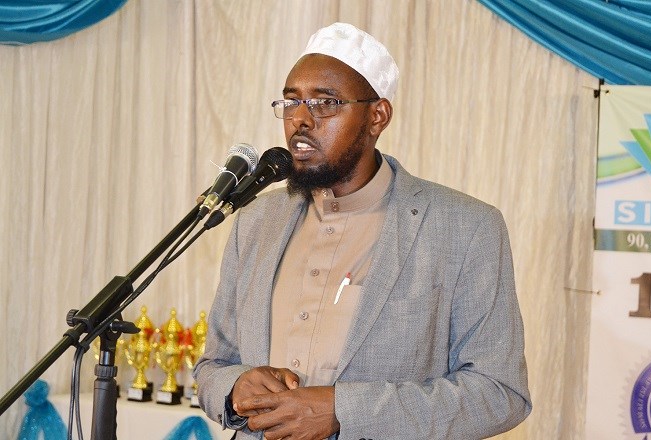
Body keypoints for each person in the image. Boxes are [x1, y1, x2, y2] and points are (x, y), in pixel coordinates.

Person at [194, 22, 532, 440]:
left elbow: (499, 393)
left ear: (377, 116)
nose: (300, 119)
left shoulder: (466, 228)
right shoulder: (257, 221)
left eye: (326, 103)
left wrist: (343, 411)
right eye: (291, 101)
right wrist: (235, 388)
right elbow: (214, 366)